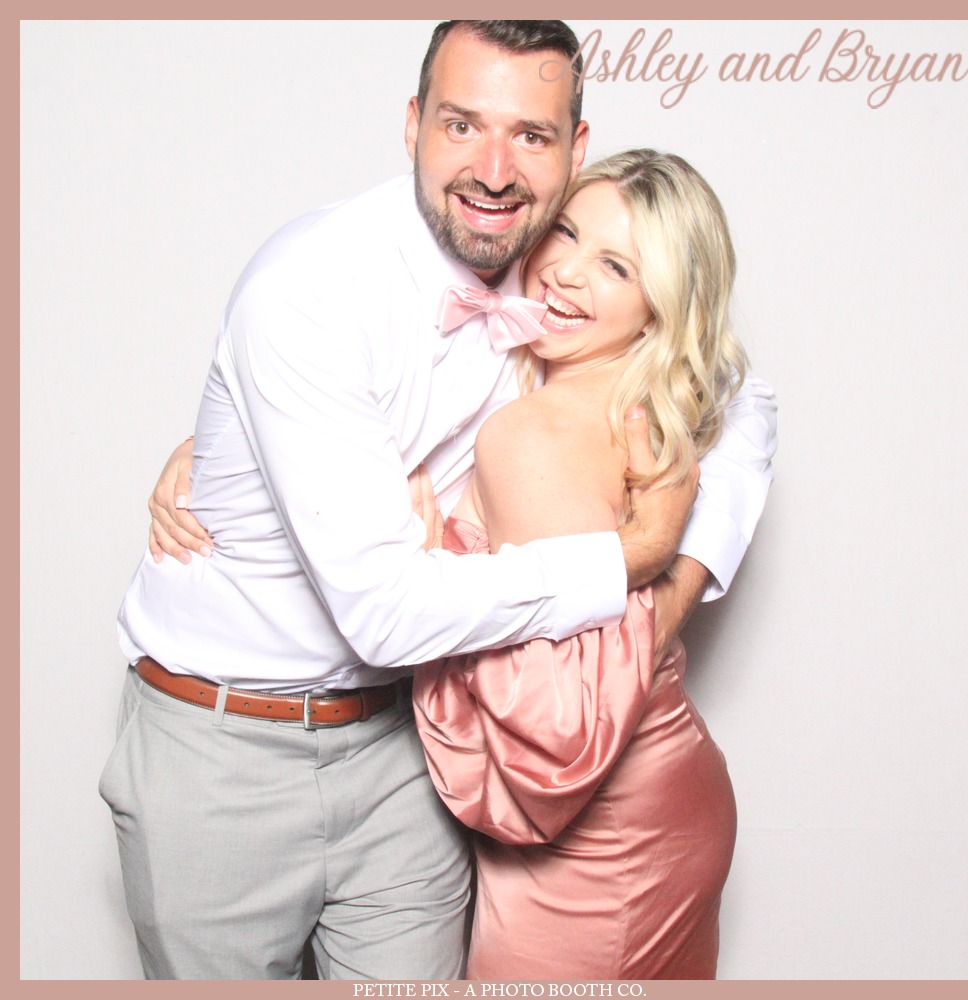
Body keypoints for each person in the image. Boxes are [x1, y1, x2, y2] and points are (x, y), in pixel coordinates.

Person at [103, 21, 776, 981]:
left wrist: (681, 570)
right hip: (224, 752)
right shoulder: (312, 291)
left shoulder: (544, 283)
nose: (494, 171)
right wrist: (625, 562)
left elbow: (739, 391)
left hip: (407, 759)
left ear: (573, 149)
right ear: (414, 122)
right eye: (463, 125)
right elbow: (383, 610)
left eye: (531, 136)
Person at [413, 149, 743, 980]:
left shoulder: (537, 430)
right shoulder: (615, 400)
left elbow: (557, 732)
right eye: (564, 232)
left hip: (599, 849)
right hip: (665, 803)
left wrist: (434, 572)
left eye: (616, 266)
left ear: (660, 309)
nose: (564, 271)